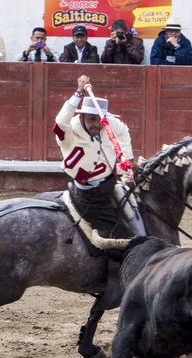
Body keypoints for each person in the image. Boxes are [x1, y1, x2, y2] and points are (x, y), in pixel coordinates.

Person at [52, 74, 146, 237]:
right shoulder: (71, 130)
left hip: (110, 184)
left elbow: (123, 131)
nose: (97, 125)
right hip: (88, 193)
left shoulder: (108, 122)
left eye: (99, 121)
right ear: (81, 116)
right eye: (91, 120)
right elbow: (60, 123)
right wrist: (79, 93)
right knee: (119, 234)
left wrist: (127, 159)